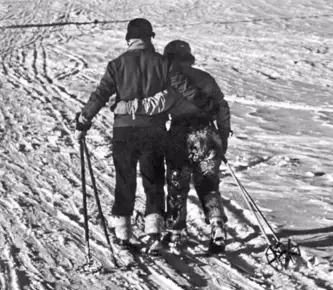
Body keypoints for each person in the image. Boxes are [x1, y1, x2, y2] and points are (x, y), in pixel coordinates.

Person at [75, 19, 215, 250]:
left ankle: (124, 232)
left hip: (124, 131)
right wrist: (205, 104)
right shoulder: (163, 63)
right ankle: (154, 234)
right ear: (150, 38)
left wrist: (84, 119)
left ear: (128, 39)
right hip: (154, 130)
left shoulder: (116, 65)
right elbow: (184, 87)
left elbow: (100, 94)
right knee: (154, 181)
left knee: (125, 180)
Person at [114, 40, 232, 253]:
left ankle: (176, 232)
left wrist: (129, 108)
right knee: (208, 185)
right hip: (208, 134)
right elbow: (223, 108)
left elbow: (159, 105)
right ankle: (217, 227)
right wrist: (222, 139)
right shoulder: (206, 78)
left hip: (181, 136)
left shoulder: (172, 80)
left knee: (178, 184)